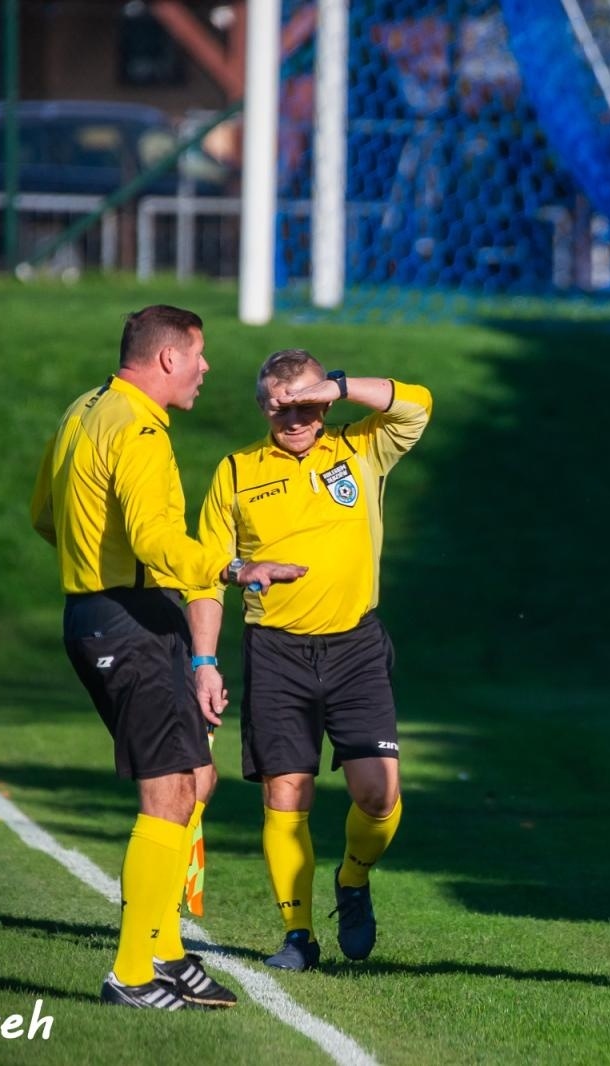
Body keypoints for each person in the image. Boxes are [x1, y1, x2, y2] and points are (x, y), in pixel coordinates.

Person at [29, 306, 306, 1010]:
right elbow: (157, 543)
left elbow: (43, 513)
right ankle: (130, 972)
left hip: (117, 614)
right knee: (166, 794)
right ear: (165, 361)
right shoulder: (140, 429)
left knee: (195, 780)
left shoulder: (83, 408)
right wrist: (239, 568)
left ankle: (171, 954)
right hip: (125, 621)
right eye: (199, 355)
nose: (207, 368)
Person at [187, 349, 432, 971]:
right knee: (286, 793)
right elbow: (207, 575)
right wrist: (204, 662)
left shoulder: (360, 448)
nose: (292, 417)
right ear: (264, 406)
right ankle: (297, 934)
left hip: (355, 645)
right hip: (276, 652)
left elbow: (418, 404)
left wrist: (342, 385)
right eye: (279, 405)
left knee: (378, 796)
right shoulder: (237, 471)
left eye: (304, 403)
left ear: (322, 402)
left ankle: (352, 881)